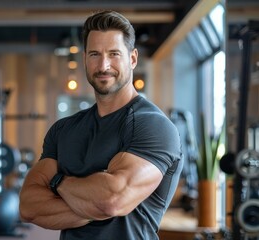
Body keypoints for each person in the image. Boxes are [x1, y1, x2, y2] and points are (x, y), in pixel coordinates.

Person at [19, 10, 183, 240]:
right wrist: (92, 201)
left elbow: (112, 201)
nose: (103, 65)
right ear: (85, 57)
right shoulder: (63, 130)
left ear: (133, 58)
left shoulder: (153, 126)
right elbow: (28, 206)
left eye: (114, 54)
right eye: (95, 54)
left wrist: (57, 183)